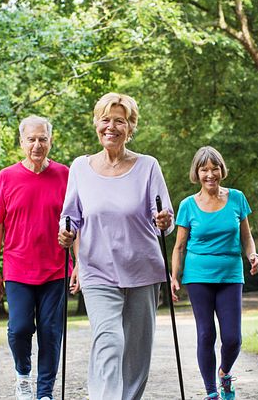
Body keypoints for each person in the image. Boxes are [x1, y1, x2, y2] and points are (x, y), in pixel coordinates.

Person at [57, 92, 174, 400]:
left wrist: (164, 220)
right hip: (98, 271)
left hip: (143, 270)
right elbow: (70, 218)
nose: (111, 127)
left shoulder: (148, 166)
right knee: (109, 342)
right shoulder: (80, 168)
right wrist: (66, 234)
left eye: (119, 121)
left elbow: (166, 216)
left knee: (136, 355)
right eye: (105, 119)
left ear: (130, 127)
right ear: (96, 123)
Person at [170, 146, 258, 400]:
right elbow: (179, 247)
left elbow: (247, 237)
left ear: (222, 170)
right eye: (204, 169)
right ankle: (211, 392)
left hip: (230, 274)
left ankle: (224, 372)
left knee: (232, 338)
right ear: (197, 173)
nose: (210, 174)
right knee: (206, 333)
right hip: (198, 276)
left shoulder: (237, 198)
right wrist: (174, 276)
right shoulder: (188, 205)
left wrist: (252, 255)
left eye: (214, 168)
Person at [0, 115, 69, 400]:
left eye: (43, 139)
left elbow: (77, 221)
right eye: (31, 139)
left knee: (50, 331)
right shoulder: (5, 177)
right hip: (17, 267)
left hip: (56, 268)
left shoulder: (64, 174)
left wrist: (79, 265)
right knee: (19, 328)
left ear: (50, 141)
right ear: (21, 142)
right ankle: (23, 375)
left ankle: (44, 392)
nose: (37, 145)